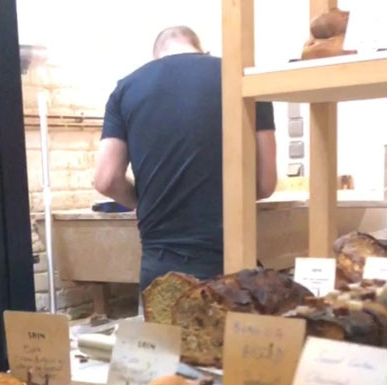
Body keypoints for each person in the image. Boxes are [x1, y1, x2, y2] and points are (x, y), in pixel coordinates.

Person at [94, 26, 277, 291]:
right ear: (200, 49)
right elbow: (264, 183)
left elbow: (106, 180)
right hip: (230, 266)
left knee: (161, 332)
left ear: (157, 56)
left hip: (161, 271)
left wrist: (143, 200)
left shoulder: (126, 89)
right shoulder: (243, 79)